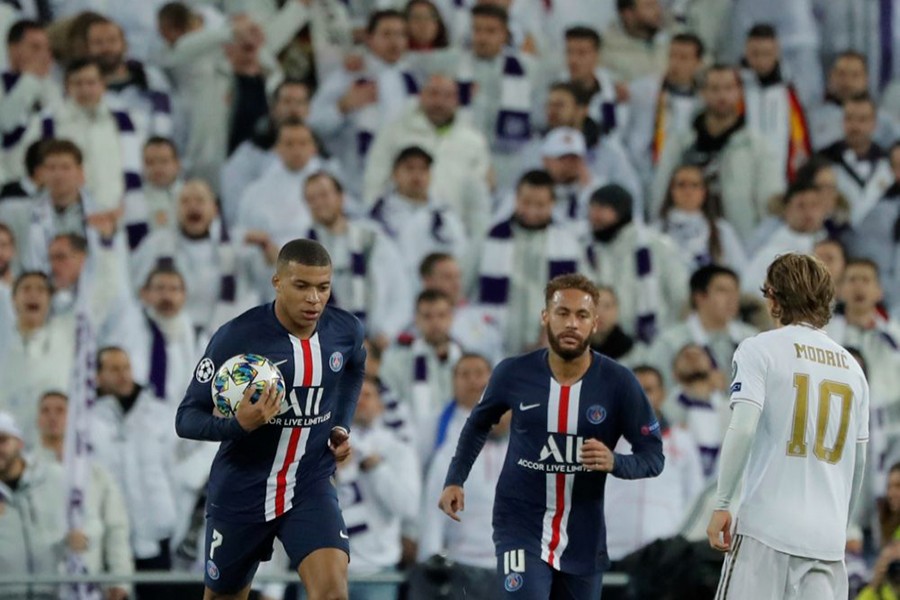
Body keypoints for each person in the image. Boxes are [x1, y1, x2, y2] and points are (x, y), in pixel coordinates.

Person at [440, 273, 664, 599]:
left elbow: (653, 456)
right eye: (563, 313)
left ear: (595, 323)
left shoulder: (620, 383)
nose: (571, 323)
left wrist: (616, 462)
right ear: (546, 316)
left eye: (582, 315)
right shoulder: (513, 373)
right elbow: (477, 424)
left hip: (583, 535)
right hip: (518, 525)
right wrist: (455, 479)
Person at [175, 238, 367, 600]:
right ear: (277, 282)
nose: (314, 299)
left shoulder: (345, 331)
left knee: (332, 593)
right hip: (242, 489)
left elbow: (356, 366)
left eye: (323, 287)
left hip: (309, 483)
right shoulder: (236, 337)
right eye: (302, 286)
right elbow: (186, 418)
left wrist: (340, 426)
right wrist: (238, 425)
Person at [707, 252, 869, 600]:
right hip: (826, 541)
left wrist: (723, 503)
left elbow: (744, 428)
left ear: (774, 298)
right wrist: (839, 523)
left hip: (767, 530)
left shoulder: (758, 350)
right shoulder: (853, 370)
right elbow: (858, 465)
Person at [35, 391, 133, 600]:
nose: (52, 417)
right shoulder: (28, 473)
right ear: (38, 419)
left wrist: (120, 580)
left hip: (88, 586)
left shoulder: (97, 473)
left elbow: (116, 528)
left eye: (60, 410)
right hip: (40, 585)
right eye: (46, 411)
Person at [335, 375, 421, 600]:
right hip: (326, 568)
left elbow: (409, 507)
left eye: (368, 395)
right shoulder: (321, 444)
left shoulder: (398, 448)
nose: (361, 401)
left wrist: (375, 468)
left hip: (378, 571)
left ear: (380, 405)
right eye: (355, 395)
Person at [740, 23, 812, 182]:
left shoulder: (788, 93)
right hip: (742, 177)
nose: (761, 60)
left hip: (781, 177)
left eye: (766, 53)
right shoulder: (736, 89)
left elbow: (799, 137)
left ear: (777, 52)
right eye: (755, 54)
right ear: (746, 52)